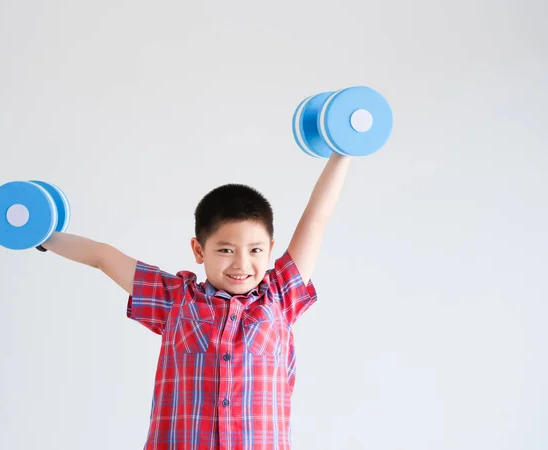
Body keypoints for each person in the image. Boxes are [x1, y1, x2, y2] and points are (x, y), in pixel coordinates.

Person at [42, 153, 352, 449]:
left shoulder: (280, 296)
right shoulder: (176, 300)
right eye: (226, 250)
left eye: (255, 250)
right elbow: (103, 257)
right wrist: (43, 236)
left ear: (270, 250)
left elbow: (316, 218)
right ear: (199, 250)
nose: (241, 265)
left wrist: (343, 153)